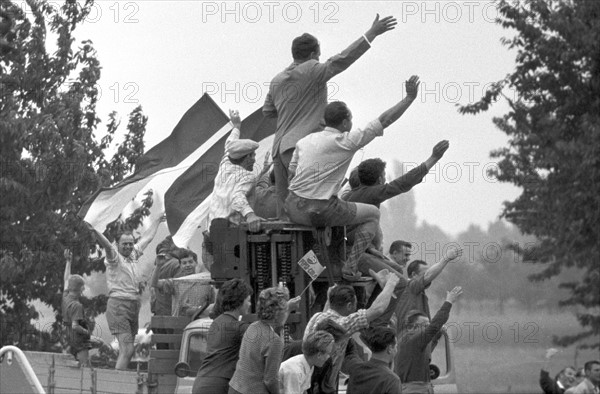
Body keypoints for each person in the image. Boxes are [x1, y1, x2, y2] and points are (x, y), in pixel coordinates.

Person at [285, 76, 420, 279]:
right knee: (373, 213)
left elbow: (291, 174)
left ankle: (312, 274)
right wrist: (409, 98)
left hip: (293, 207)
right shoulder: (345, 141)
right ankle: (350, 265)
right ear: (346, 121)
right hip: (321, 210)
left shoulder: (304, 142)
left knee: (313, 240)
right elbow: (384, 120)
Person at [263, 14, 397, 218]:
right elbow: (342, 60)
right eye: (318, 55)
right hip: (300, 146)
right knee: (311, 200)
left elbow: (268, 111)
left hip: (279, 148)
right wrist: (372, 34)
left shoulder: (277, 80)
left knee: (286, 212)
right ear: (313, 54)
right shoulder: (313, 70)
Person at [87, 214, 164, 370]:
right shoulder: (114, 257)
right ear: (118, 244)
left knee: (127, 350)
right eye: (125, 244)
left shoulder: (134, 253)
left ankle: (117, 379)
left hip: (132, 305)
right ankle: (116, 383)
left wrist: (158, 219)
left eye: (130, 243)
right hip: (119, 305)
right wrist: (95, 230)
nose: (128, 247)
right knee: (127, 350)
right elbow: (107, 246)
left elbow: (147, 238)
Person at [303, 275, 399, 394]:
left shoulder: (317, 317)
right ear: (349, 305)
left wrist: (329, 296)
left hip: (308, 383)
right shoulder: (342, 324)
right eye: (355, 305)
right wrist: (391, 283)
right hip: (321, 386)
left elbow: (328, 312)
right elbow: (377, 309)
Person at [396, 286, 463, 393]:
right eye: (425, 325)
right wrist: (448, 302)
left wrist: (437, 334)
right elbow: (434, 327)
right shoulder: (412, 339)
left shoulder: (410, 341)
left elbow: (429, 344)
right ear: (413, 326)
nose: (427, 328)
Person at [192, 279, 253, 394]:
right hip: (218, 386)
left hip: (201, 382)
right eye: (248, 300)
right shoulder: (237, 327)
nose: (250, 305)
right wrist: (285, 310)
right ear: (239, 301)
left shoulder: (217, 323)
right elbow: (267, 337)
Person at [229, 285, 291, 394]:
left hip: (235, 387)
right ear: (278, 314)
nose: (286, 314)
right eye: (286, 311)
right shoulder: (274, 341)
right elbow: (270, 380)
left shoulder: (253, 327)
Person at [208, 109, 263, 233]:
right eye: (253, 155)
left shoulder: (225, 164)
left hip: (212, 232)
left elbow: (229, 145)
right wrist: (250, 215)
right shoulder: (247, 176)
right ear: (248, 157)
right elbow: (237, 198)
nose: (254, 159)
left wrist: (236, 126)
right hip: (231, 235)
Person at [152, 248, 214, 317]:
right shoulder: (176, 283)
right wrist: (158, 266)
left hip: (199, 323)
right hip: (179, 323)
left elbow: (212, 305)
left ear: (196, 263)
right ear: (180, 265)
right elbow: (155, 283)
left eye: (190, 262)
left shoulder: (206, 282)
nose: (187, 265)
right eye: (184, 263)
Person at [346, 326, 401, 394]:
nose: (396, 350)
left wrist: (348, 337)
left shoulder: (355, 368)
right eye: (396, 346)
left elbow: (350, 354)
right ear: (389, 348)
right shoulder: (391, 380)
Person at [62, 272, 91, 366]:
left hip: (68, 336)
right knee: (84, 365)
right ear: (81, 288)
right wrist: (86, 332)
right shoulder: (77, 306)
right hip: (79, 339)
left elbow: (66, 279)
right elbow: (75, 326)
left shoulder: (65, 297)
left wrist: (68, 261)